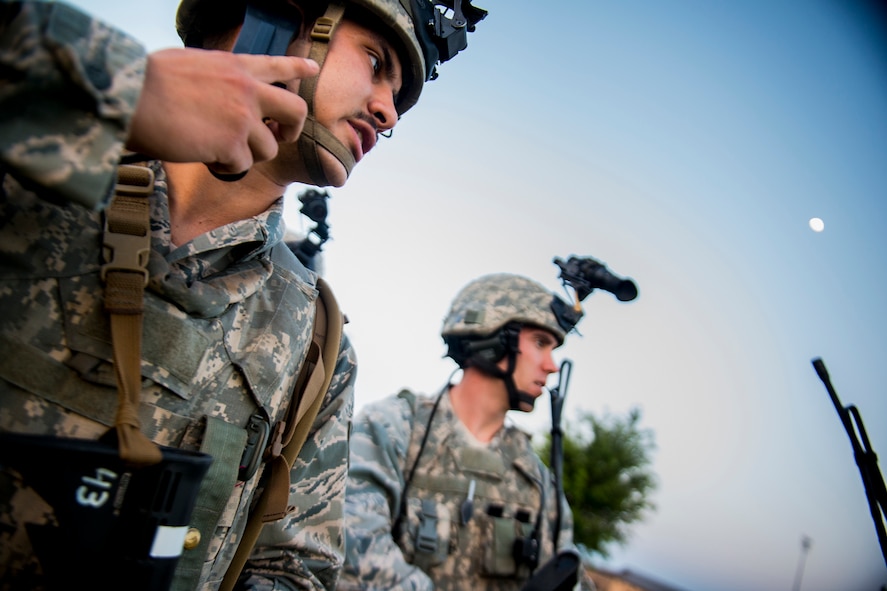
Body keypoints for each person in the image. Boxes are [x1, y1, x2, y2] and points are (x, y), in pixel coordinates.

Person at [0, 0, 485, 589]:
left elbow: (294, 568)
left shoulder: (316, 343)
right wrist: (128, 88)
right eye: (376, 62)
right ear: (275, 22)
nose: (387, 112)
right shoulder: (31, 165)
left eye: (399, 95)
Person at [338, 273, 594, 591]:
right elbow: (349, 543)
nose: (552, 365)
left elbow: (569, 577)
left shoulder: (535, 478)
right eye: (540, 343)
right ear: (492, 338)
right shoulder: (394, 427)